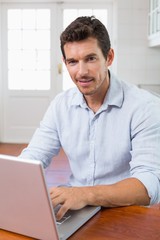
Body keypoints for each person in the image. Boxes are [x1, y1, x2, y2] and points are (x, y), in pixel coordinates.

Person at [20, 16, 160, 220]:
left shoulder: (145, 107)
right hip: (75, 211)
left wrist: (85, 194)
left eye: (91, 58)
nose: (81, 72)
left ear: (109, 57)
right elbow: (33, 157)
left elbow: (149, 184)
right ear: (65, 63)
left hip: (124, 211)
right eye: (73, 62)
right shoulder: (60, 105)